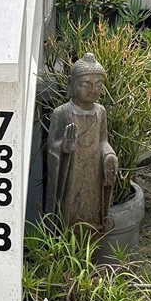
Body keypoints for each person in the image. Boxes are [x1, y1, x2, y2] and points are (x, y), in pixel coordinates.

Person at [45, 53, 118, 231]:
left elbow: (103, 142)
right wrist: (63, 147)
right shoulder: (61, 112)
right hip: (71, 173)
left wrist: (109, 156)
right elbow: (51, 146)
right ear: (71, 85)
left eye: (98, 85)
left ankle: (89, 245)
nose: (93, 89)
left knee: (92, 209)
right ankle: (66, 247)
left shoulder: (100, 112)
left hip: (93, 173)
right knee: (69, 210)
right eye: (86, 84)